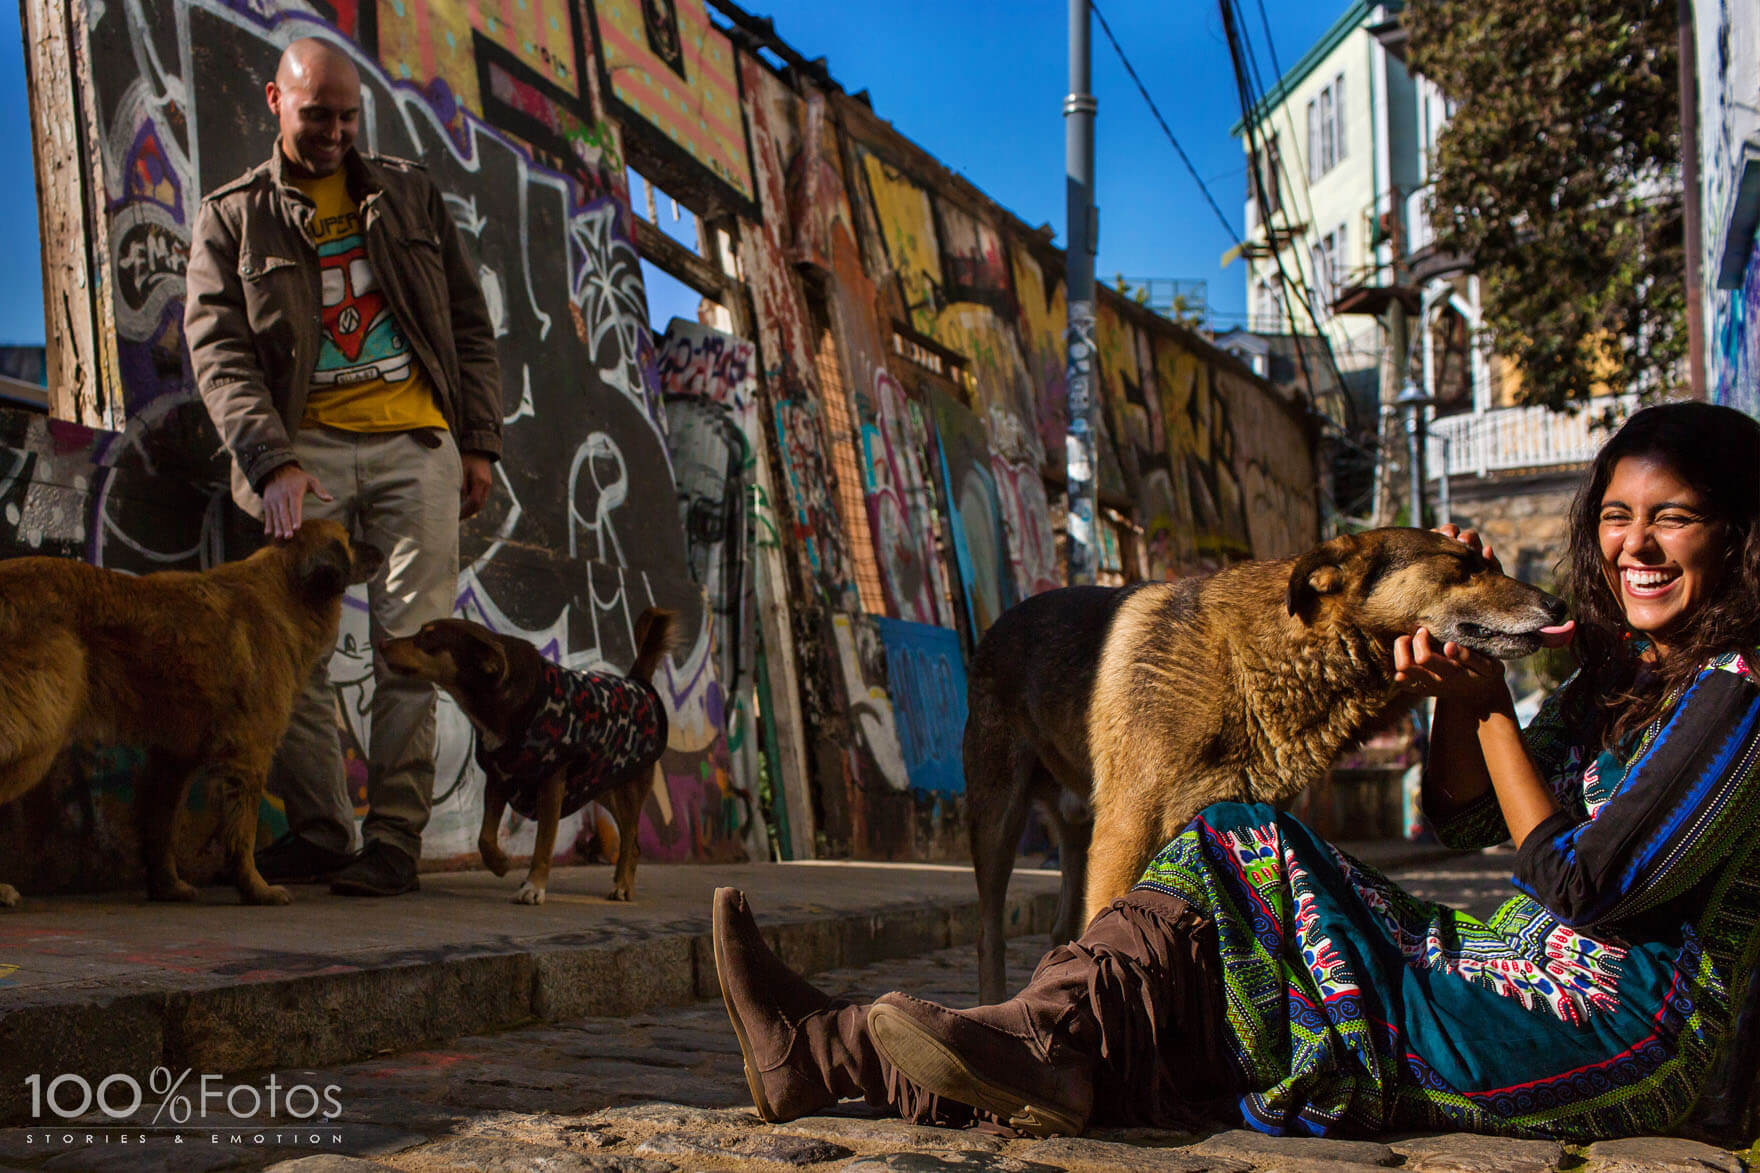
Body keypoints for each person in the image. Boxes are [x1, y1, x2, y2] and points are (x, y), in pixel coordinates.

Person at [713, 400, 1760, 1140]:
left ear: (1741, 535)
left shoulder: (1740, 691)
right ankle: (848, 1054)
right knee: (1232, 839)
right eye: (1617, 517)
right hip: (1508, 975)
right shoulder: (1622, 681)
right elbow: (1459, 822)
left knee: (1219, 1008)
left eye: (1671, 517)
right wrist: (1454, 694)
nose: (1636, 546)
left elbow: (1590, 885)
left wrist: (1485, 701)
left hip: (1620, 1037)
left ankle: (855, 1050)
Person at [184, 37, 502, 897]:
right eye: (316, 113)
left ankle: (394, 839)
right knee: (286, 656)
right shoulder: (231, 214)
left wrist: (478, 441)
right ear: (274, 101)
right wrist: (270, 460)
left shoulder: (407, 191)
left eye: (346, 116)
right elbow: (217, 350)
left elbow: (469, 325)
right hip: (305, 458)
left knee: (409, 651)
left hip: (417, 448)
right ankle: (323, 828)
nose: (333, 131)